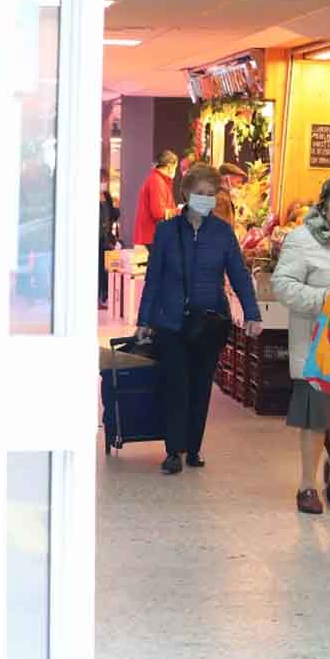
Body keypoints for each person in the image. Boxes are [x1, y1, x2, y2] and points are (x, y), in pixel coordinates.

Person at [136, 163, 263, 475]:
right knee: (174, 385)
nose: (206, 199)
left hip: (209, 321)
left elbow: (239, 275)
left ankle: (193, 447)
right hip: (171, 321)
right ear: (186, 193)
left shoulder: (222, 233)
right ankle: (173, 451)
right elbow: (153, 279)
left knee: (200, 385)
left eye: (211, 193)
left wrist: (252, 313)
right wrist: (144, 320)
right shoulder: (167, 232)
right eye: (200, 193)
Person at [272, 176, 330, 514]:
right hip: (315, 341)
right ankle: (307, 486)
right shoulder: (302, 239)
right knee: (316, 417)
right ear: (324, 204)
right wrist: (323, 298)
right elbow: (283, 285)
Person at [133, 150, 178, 252]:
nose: (176, 171)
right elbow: (158, 213)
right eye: (175, 167)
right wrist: (178, 211)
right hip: (152, 237)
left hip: (152, 237)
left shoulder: (156, 180)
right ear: (169, 166)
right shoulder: (157, 182)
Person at [99, 169, 120, 309]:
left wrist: (116, 209)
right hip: (97, 238)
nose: (104, 183)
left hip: (107, 238)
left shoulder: (107, 196)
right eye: (102, 181)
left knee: (106, 269)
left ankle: (106, 296)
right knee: (98, 269)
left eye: (105, 181)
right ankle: (99, 297)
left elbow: (112, 215)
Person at [215, 162, 246, 228]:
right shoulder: (220, 198)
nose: (240, 186)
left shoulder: (224, 196)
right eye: (238, 182)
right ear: (226, 179)